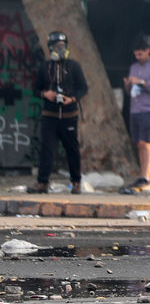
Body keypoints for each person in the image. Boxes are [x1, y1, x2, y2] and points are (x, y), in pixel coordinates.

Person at [27, 31, 88, 195]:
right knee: (47, 149)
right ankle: (42, 182)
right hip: (50, 116)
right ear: (50, 48)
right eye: (56, 46)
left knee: (72, 149)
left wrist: (73, 98)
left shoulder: (74, 66)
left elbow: (83, 88)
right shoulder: (45, 67)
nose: (60, 49)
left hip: (69, 115)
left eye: (62, 46)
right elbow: (35, 89)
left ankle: (76, 182)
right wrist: (45, 94)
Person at [122, 39, 150, 192]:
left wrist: (140, 81)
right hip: (135, 109)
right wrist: (128, 84)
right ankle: (142, 175)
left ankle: (146, 177)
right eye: (136, 55)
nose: (138, 57)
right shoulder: (133, 67)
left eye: (141, 54)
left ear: (147, 51)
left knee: (146, 142)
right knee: (138, 143)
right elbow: (129, 92)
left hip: (149, 108)